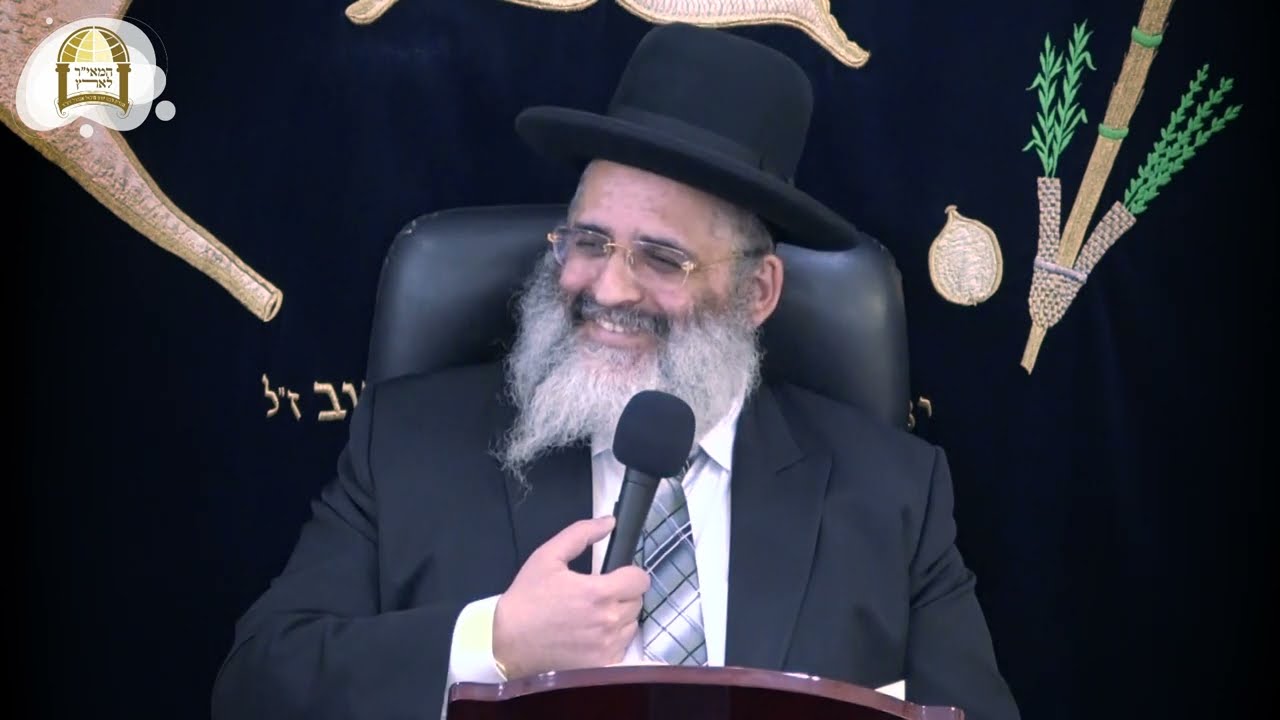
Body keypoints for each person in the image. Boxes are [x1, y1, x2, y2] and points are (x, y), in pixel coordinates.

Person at [211, 22, 1020, 720]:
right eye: (589, 242)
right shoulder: (410, 446)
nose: (607, 288)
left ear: (757, 293)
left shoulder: (893, 494)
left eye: (662, 258)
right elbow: (255, 689)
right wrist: (493, 643)